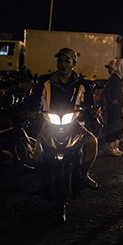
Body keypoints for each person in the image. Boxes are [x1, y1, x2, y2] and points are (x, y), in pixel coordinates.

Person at [29, 47, 99, 189]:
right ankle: (37, 180)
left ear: (74, 64)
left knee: (92, 142)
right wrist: (32, 111)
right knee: (38, 148)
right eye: (60, 61)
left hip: (75, 124)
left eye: (67, 61)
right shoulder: (45, 82)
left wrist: (92, 112)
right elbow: (34, 99)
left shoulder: (83, 85)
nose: (63, 64)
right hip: (49, 124)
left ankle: (85, 175)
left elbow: (89, 104)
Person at [104, 58, 123, 156]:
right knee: (113, 126)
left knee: (119, 126)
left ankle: (116, 147)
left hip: (119, 107)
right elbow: (107, 92)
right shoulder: (113, 78)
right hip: (113, 108)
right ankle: (110, 148)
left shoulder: (120, 78)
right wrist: (112, 100)